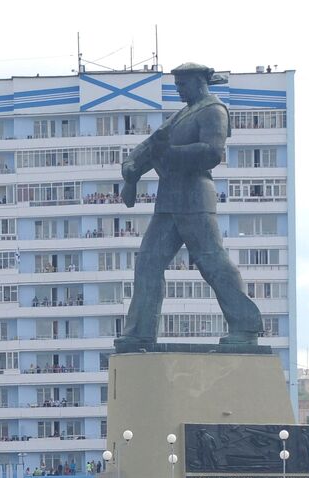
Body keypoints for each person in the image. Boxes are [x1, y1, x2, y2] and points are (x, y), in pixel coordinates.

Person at [117, 63, 263, 351]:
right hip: (169, 201)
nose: (178, 89)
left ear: (198, 82)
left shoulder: (213, 110)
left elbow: (212, 152)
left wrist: (169, 154)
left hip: (195, 197)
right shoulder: (181, 115)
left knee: (212, 262)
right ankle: (140, 332)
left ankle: (245, 326)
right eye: (177, 84)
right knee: (147, 263)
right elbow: (148, 147)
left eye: (182, 84)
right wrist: (132, 167)